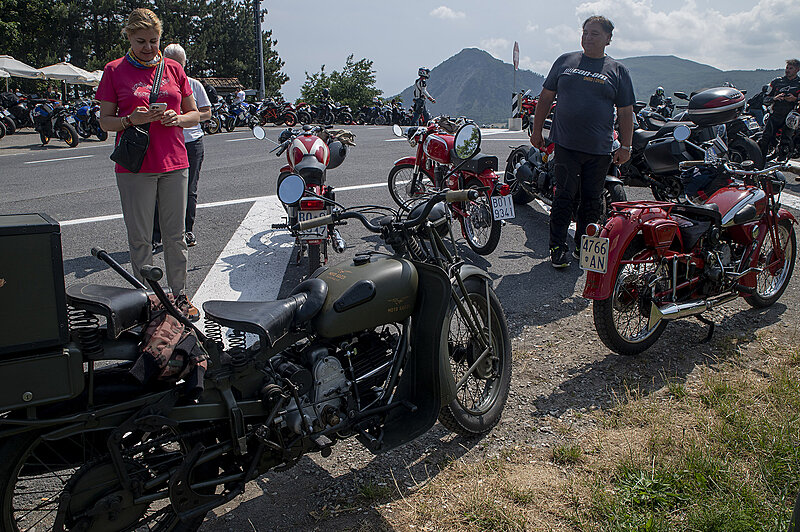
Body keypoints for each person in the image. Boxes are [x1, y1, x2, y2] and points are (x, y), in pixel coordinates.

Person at [97, 8, 201, 320]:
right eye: (141, 40)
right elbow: (105, 122)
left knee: (175, 235)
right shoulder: (114, 70)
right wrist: (131, 119)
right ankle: (148, 300)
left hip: (174, 161)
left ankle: (180, 295)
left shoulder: (172, 69)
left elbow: (195, 113)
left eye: (154, 41)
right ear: (128, 37)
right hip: (135, 166)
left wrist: (177, 118)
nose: (148, 47)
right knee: (140, 238)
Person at [531, 15, 634, 268]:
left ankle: (584, 248)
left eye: (595, 33)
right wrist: (536, 131)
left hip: (599, 149)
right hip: (565, 144)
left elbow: (625, 111)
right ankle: (557, 248)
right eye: (585, 32)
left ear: (608, 39)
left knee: (592, 200)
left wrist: (626, 146)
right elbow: (545, 99)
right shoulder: (566, 61)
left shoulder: (618, 71)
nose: (588, 37)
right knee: (564, 196)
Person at [153, 43, 212, 249]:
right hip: (166, 142)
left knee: (189, 189)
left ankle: (187, 230)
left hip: (192, 142)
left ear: (185, 64)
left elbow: (206, 112)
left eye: (180, 64)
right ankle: (155, 236)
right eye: (171, 63)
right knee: (159, 189)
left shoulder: (194, 84)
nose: (176, 68)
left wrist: (183, 118)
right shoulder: (158, 83)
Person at [758, 59, 800, 158]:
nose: (787, 70)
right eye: (787, 68)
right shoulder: (777, 81)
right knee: (765, 140)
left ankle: (783, 162)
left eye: (791, 68)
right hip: (775, 115)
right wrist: (774, 98)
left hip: (791, 117)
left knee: (785, 143)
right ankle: (759, 164)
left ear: (797, 70)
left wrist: (794, 99)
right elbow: (764, 99)